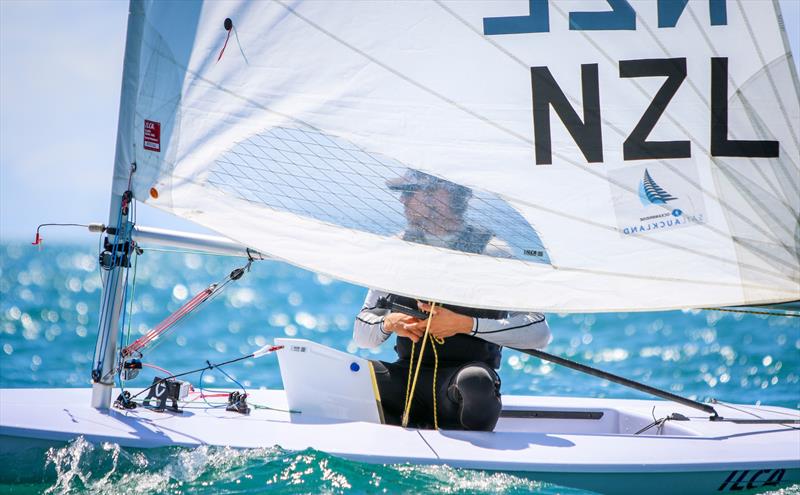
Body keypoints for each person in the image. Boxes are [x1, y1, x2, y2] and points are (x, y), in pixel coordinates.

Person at [353, 170, 551, 431]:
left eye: (411, 192)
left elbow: (538, 331)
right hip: (406, 379)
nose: (403, 201)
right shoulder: (396, 250)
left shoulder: (493, 252)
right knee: (352, 375)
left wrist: (465, 324)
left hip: (459, 387)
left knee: (476, 382)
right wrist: (388, 323)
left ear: (443, 195)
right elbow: (362, 335)